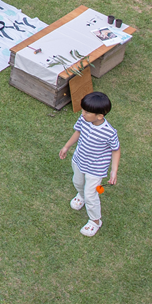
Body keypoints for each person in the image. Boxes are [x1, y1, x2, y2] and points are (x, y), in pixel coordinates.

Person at [58, 90, 120, 238]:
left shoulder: (109, 133)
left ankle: (95, 221)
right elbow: (78, 132)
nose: (83, 113)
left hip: (95, 169)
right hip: (79, 160)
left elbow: (116, 150)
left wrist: (114, 171)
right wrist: (66, 147)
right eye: (83, 110)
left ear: (100, 116)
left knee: (91, 195)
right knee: (77, 182)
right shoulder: (83, 119)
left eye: (87, 112)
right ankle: (81, 196)